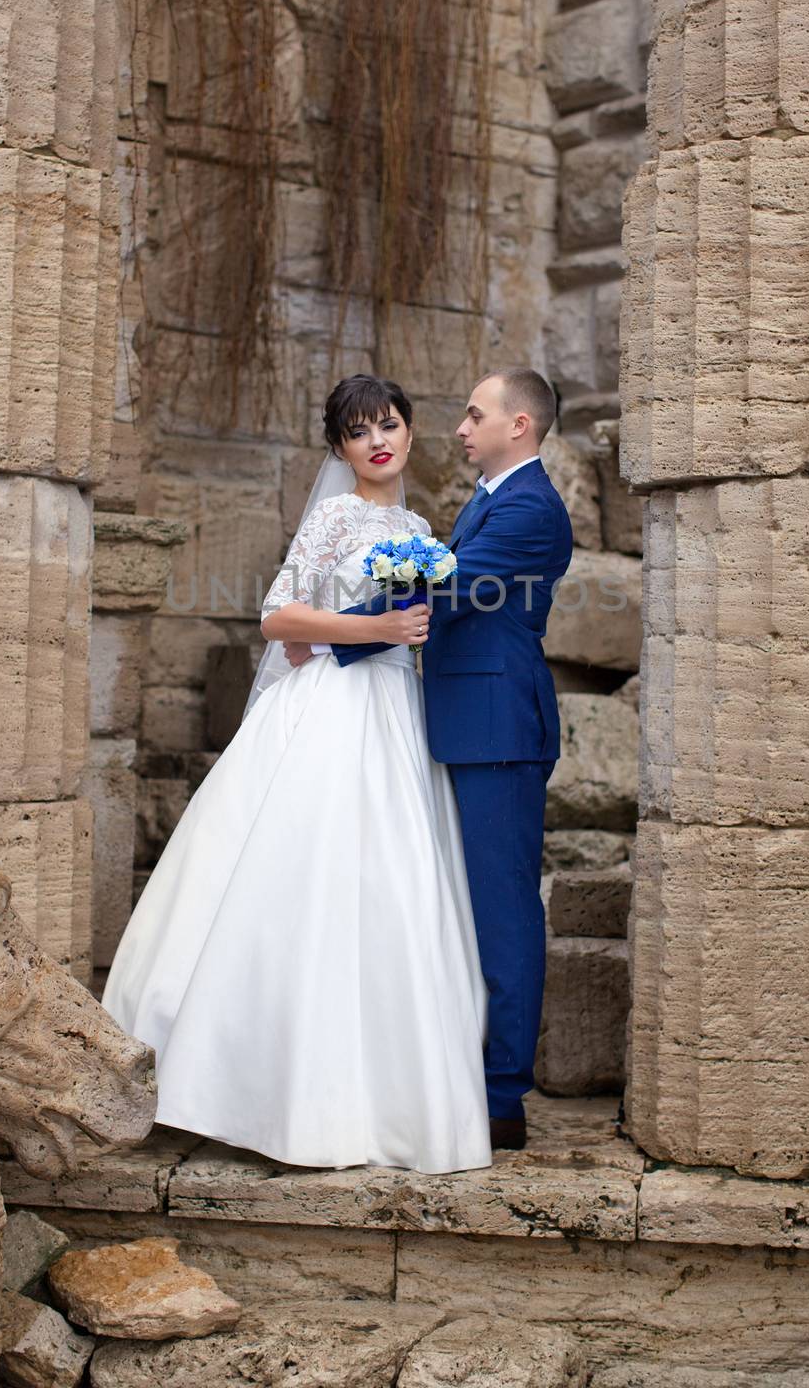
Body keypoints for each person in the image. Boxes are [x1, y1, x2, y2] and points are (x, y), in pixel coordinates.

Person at [101, 374, 493, 1174]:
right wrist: (376, 623)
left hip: (394, 714)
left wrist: (406, 631)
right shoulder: (334, 516)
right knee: (300, 878)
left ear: (410, 435)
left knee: (393, 889)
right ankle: (247, 1086)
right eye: (358, 432)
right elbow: (278, 618)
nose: (377, 440)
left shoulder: (419, 527)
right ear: (339, 448)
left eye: (388, 425)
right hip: (329, 711)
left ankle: (381, 1102)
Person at [301, 369, 573, 1150]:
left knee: (502, 910)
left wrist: (326, 637)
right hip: (458, 721)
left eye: (473, 413)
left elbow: (455, 588)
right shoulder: (489, 497)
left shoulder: (528, 506)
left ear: (517, 425)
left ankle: (500, 1097)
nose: (459, 426)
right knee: (463, 905)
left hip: (496, 730)